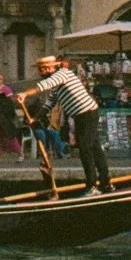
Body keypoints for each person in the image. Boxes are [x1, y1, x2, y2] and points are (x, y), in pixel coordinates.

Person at [28, 53, 110, 195]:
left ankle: (92, 186)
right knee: (95, 148)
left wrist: (24, 94)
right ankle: (106, 183)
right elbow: (49, 104)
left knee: (85, 149)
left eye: (41, 70)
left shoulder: (62, 74)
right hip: (82, 115)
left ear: (48, 68)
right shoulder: (56, 85)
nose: (39, 73)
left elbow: (43, 86)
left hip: (87, 113)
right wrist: (36, 118)